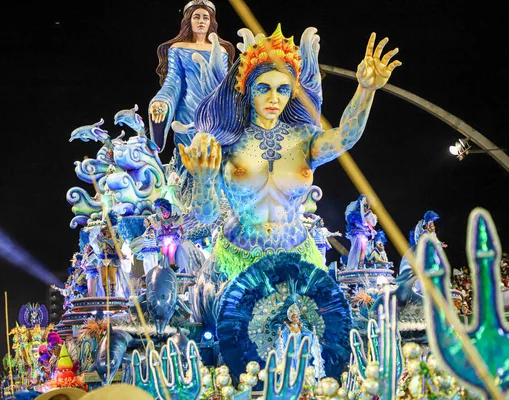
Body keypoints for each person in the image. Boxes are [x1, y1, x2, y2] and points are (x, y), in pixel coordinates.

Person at [180, 25, 401, 280]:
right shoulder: (227, 143)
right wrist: (204, 179)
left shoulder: (305, 139)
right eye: (264, 88)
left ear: (292, 92)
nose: (274, 98)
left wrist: (366, 90)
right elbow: (206, 215)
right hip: (236, 263)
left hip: (298, 261)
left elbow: (347, 136)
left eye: (282, 89)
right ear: (247, 89)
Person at [149, 0, 235, 157]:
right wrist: (161, 101)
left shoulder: (220, 50)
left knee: (216, 157)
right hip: (188, 111)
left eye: (205, 17)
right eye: (196, 17)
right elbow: (173, 80)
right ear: (189, 20)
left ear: (211, 22)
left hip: (214, 112)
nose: (201, 21)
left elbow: (223, 83)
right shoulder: (178, 48)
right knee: (189, 156)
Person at [276, 303, 325, 380]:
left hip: (301, 354)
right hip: (291, 355)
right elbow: (283, 339)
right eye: (293, 317)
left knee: (305, 375)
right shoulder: (287, 329)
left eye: (296, 317)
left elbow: (309, 334)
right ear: (290, 318)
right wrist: (281, 334)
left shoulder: (301, 327)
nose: (295, 319)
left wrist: (312, 334)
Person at [148, 198, 184, 270]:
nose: (164, 213)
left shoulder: (174, 219)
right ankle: (163, 270)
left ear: (169, 211)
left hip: (173, 239)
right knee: (163, 255)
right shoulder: (159, 220)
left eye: (165, 211)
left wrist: (182, 236)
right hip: (163, 239)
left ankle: (173, 271)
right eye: (162, 211)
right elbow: (154, 227)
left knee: (171, 255)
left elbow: (180, 227)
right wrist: (150, 231)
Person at [344, 195, 378, 270]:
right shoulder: (355, 216)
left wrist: (371, 230)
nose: (366, 207)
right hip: (357, 234)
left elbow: (371, 223)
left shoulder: (369, 214)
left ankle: (360, 266)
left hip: (364, 235)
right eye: (364, 205)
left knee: (363, 250)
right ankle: (353, 266)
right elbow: (360, 221)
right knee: (355, 250)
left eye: (367, 205)